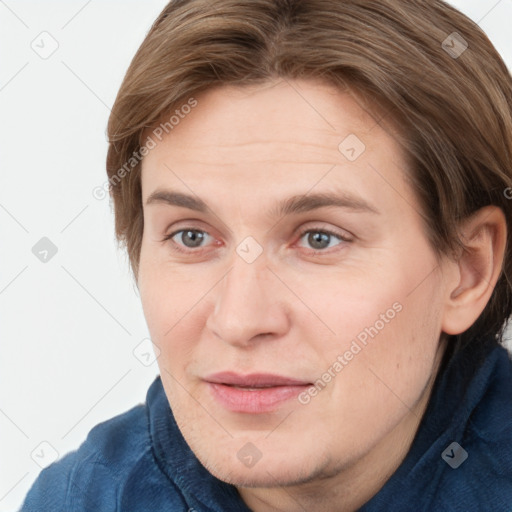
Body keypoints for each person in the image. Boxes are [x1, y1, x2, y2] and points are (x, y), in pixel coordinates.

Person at [21, 0, 512, 510]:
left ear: (467, 271)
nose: (239, 320)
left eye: (320, 238)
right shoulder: (80, 499)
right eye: (192, 236)